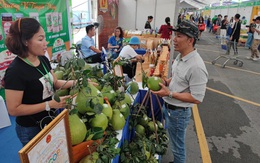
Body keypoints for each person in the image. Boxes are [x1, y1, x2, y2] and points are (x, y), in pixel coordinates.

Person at [4, 18, 76, 146]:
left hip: (49, 119)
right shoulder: (15, 71)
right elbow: (13, 110)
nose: (46, 43)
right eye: (40, 39)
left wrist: (77, 82)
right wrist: (48, 105)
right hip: (30, 128)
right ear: (25, 41)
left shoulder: (43, 60)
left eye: (45, 38)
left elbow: (55, 82)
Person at [152, 20, 208, 163]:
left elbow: (197, 98)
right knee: (174, 142)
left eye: (179, 36)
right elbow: (177, 76)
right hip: (169, 108)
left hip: (178, 113)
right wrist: (166, 82)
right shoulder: (180, 56)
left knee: (178, 148)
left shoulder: (197, 66)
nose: (174, 39)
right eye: (175, 35)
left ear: (191, 40)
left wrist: (169, 93)